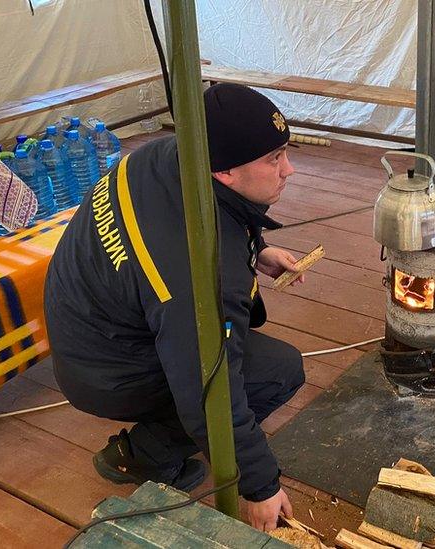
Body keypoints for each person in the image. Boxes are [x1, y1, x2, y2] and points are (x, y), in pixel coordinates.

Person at [44, 83, 307, 532]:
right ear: (223, 172)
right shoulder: (198, 274)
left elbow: (218, 214)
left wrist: (255, 248)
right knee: (278, 370)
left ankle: (149, 441)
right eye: (274, 159)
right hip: (103, 369)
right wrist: (258, 486)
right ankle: (137, 457)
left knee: (234, 356)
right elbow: (207, 388)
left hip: (85, 324)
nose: (289, 170)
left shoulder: (166, 154)